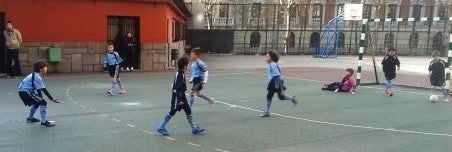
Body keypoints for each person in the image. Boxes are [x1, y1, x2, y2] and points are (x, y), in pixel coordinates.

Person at [156, 57, 205, 136]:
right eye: (187, 64)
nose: (188, 66)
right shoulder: (180, 75)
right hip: (178, 98)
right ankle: (161, 127)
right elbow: (178, 89)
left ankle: (194, 128)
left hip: (182, 97)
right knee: (172, 111)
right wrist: (179, 100)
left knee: (188, 110)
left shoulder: (180, 73)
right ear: (185, 66)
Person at [18, 60, 60, 127]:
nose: (47, 69)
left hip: (23, 91)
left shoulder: (34, 75)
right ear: (41, 69)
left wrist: (41, 98)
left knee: (37, 103)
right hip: (25, 92)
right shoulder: (37, 77)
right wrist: (52, 99)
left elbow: (39, 89)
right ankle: (44, 122)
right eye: (45, 67)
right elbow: (43, 90)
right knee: (43, 103)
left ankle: (30, 118)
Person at [259, 51, 297, 117]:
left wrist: (277, 85)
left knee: (269, 96)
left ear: (271, 58)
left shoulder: (273, 65)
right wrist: (281, 84)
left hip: (274, 82)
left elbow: (277, 75)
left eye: (267, 57)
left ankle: (267, 112)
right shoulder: (273, 64)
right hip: (277, 81)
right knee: (281, 97)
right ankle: (291, 98)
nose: (266, 58)